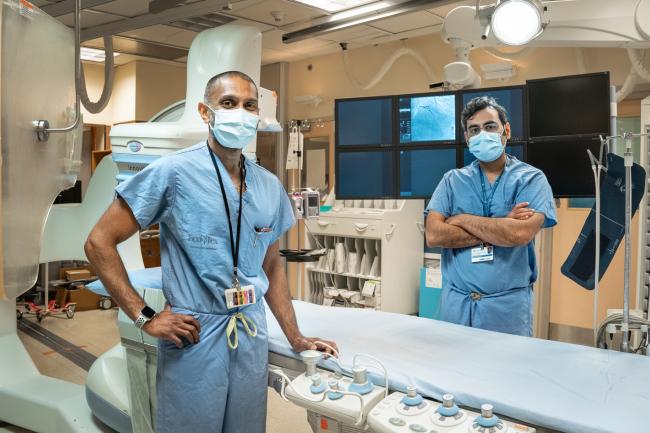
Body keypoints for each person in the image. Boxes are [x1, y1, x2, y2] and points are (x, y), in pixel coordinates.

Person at [85, 70, 337, 433]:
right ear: (206, 112)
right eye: (228, 103)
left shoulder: (268, 186)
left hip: (250, 333)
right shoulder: (173, 173)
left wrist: (295, 336)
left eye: (249, 105)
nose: (240, 112)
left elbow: (272, 265)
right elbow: (98, 242)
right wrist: (145, 316)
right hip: (194, 334)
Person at [424, 96, 557, 336]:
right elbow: (434, 235)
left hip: (507, 309)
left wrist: (460, 219)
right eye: (474, 130)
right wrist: (500, 225)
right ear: (466, 138)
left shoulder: (531, 179)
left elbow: (519, 233)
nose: (482, 134)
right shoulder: (452, 181)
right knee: (454, 371)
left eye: (490, 126)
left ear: (506, 131)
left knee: (505, 372)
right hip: (457, 306)